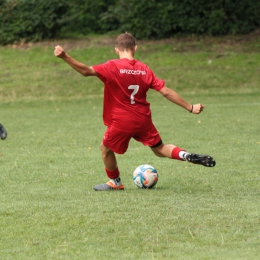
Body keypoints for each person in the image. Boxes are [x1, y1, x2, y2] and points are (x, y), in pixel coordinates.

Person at [54, 32, 216, 191]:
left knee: (105, 149)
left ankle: (115, 182)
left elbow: (85, 71)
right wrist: (190, 107)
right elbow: (166, 91)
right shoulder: (144, 69)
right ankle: (185, 155)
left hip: (122, 120)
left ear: (117, 49)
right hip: (143, 119)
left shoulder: (112, 66)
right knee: (160, 149)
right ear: (135, 48)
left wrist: (65, 57)